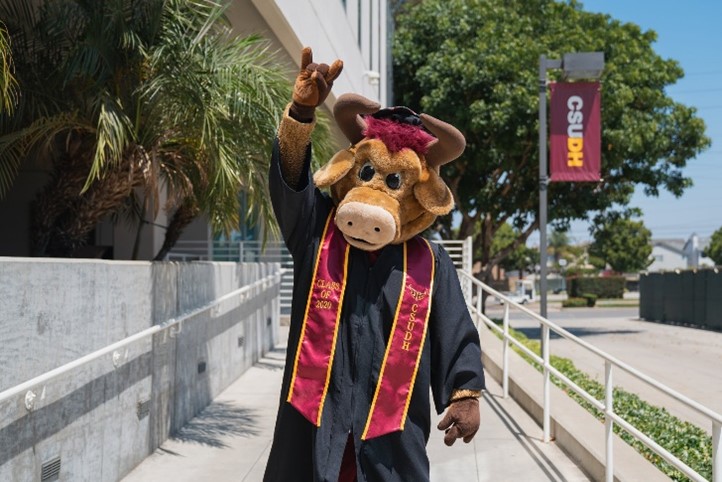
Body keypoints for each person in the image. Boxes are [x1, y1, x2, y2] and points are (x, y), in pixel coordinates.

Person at [263, 48, 484, 482]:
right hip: (316, 425)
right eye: (367, 173)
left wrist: (465, 394)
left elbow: (454, 329)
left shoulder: (429, 261)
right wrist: (301, 116)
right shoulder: (318, 235)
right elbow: (291, 184)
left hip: (389, 438)